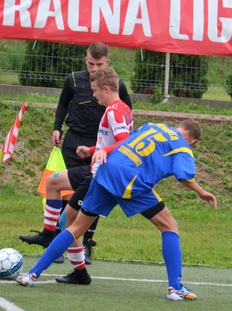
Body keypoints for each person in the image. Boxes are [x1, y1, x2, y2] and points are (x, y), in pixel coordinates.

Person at [17, 120, 217, 301]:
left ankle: (32, 274)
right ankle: (175, 288)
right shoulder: (183, 147)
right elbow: (184, 175)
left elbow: (127, 141)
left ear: (178, 126)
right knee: (170, 226)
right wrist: (201, 192)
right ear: (193, 141)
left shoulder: (154, 126)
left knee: (76, 227)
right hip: (130, 181)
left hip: (106, 170)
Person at [19, 42, 132, 264]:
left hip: (101, 149)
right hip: (77, 143)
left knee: (89, 198)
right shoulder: (73, 79)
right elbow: (63, 103)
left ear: (107, 64)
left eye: (98, 64)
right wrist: (57, 127)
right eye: (90, 64)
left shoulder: (115, 89)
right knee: (65, 191)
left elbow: (124, 124)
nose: (94, 69)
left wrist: (103, 149)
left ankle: (84, 246)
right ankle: (53, 240)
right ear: (85, 61)